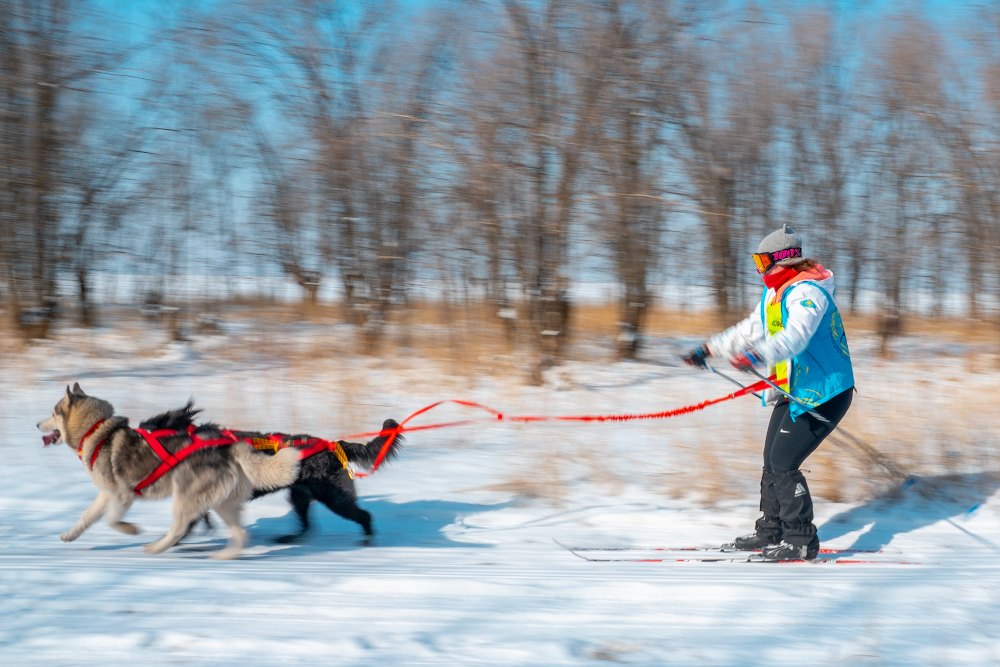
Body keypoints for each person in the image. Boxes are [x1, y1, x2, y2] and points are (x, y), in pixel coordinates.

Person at [682, 225, 855, 561]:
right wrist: (708, 349)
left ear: (785, 259)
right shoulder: (775, 295)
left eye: (763, 261)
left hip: (825, 392)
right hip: (796, 389)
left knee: (784, 462)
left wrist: (759, 355)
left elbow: (796, 336)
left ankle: (801, 539)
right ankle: (771, 530)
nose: (759, 269)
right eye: (756, 261)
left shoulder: (809, 292)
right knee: (770, 462)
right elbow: (748, 329)